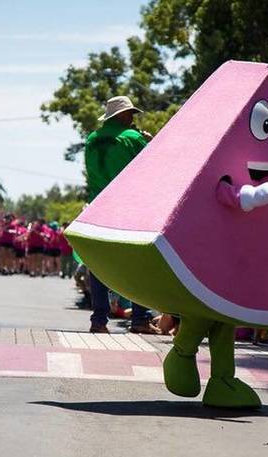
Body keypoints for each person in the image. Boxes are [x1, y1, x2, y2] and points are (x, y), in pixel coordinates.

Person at [84, 95, 161, 334]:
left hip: (98, 206)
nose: (132, 118)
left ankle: (99, 320)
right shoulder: (133, 138)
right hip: (128, 208)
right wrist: (149, 141)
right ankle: (140, 319)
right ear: (121, 115)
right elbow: (155, 163)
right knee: (139, 263)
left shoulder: (91, 140)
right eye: (130, 114)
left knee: (98, 266)